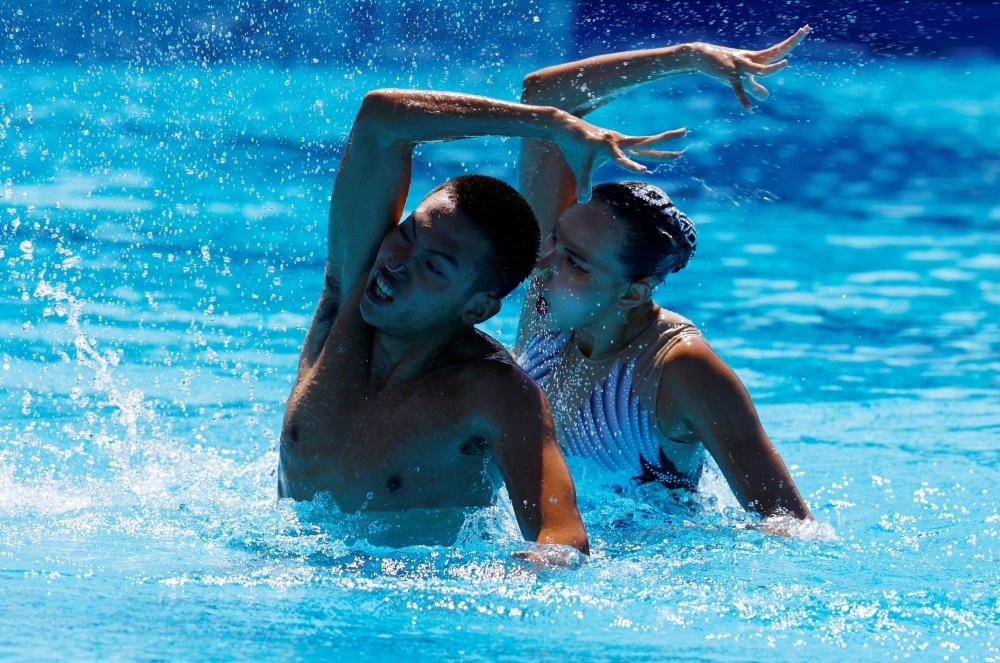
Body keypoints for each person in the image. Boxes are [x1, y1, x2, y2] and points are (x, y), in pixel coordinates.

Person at [277, 87, 680, 552]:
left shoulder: (494, 393)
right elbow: (380, 118)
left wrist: (532, 571)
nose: (397, 262)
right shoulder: (350, 294)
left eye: (434, 267)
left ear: (477, 309)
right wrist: (548, 123)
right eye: (407, 233)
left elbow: (562, 537)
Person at [513, 28, 814, 520]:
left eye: (575, 261)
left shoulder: (679, 370)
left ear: (632, 294)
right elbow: (543, 97)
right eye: (554, 240)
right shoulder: (558, 303)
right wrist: (686, 56)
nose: (540, 267)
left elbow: (789, 526)